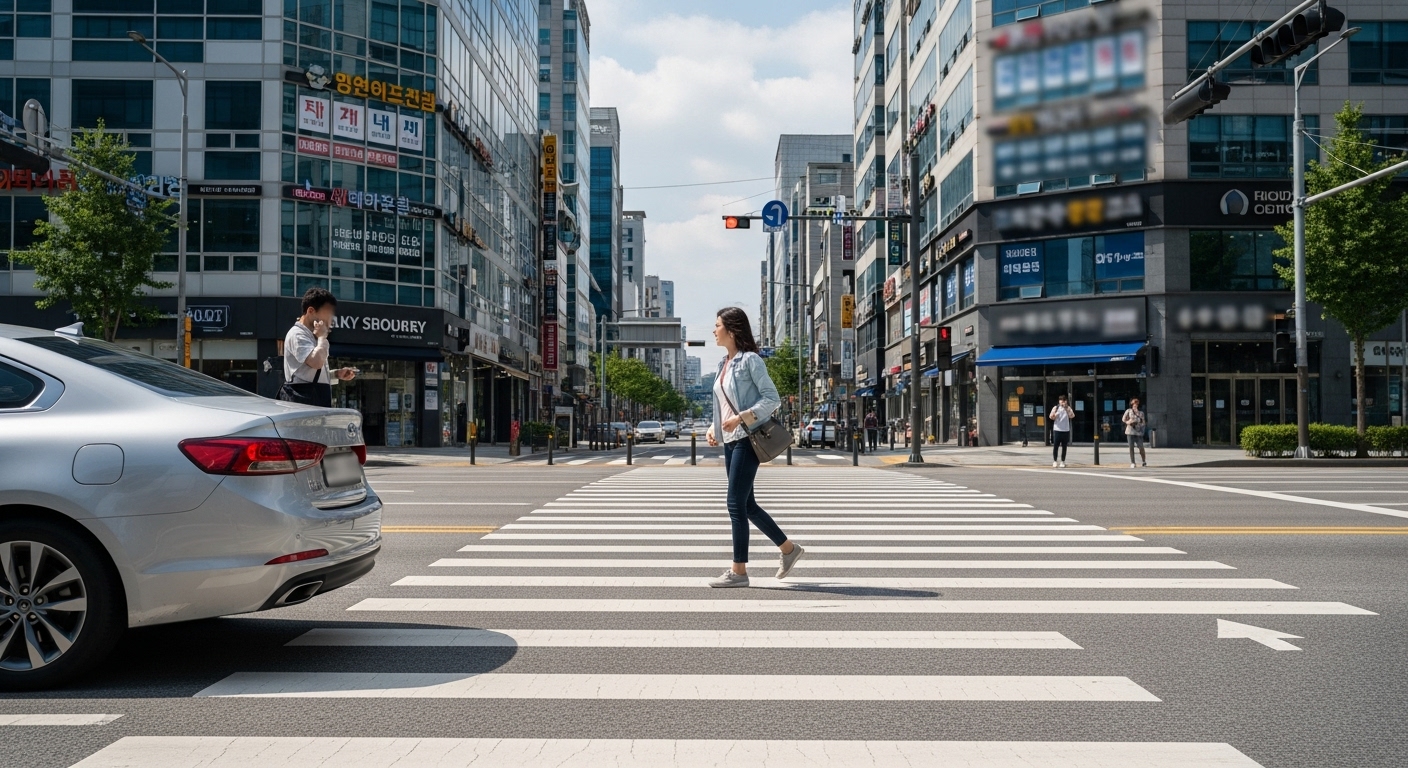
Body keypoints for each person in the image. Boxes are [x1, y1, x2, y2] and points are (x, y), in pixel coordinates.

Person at [706, 307, 803, 587]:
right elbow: (721, 404)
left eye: (717, 325)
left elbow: (772, 399)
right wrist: (714, 428)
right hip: (732, 440)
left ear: (732, 330)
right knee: (747, 504)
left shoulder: (751, 361)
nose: (714, 331)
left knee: (735, 504)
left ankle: (739, 572)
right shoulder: (722, 364)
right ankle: (789, 549)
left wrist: (742, 416)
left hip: (748, 439)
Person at [282, 287, 356, 407]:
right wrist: (322, 337)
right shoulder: (298, 334)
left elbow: (309, 375)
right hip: (303, 408)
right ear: (311, 311)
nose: (327, 326)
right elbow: (316, 362)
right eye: (324, 320)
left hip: (312, 404)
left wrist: (336, 374)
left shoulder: (312, 336)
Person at [1123, 397, 1148, 468]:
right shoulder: (1129, 411)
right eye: (1134, 403)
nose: (1135, 405)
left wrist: (1139, 423)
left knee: (1141, 447)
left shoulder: (1141, 413)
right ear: (1131, 404)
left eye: (1136, 403)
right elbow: (1123, 419)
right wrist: (1128, 422)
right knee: (1131, 447)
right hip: (1130, 431)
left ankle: (1143, 460)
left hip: (1138, 432)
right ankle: (1133, 462)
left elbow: (1143, 422)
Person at [1050, 394, 1074, 467]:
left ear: (1066, 401)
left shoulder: (1068, 408)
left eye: (1064, 400)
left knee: (1064, 446)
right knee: (1056, 446)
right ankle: (1055, 461)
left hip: (1065, 430)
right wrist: (1055, 415)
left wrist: (1066, 408)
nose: (1062, 402)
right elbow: (1051, 417)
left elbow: (1072, 416)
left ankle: (1062, 461)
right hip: (1057, 429)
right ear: (1059, 401)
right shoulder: (1056, 408)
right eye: (1061, 400)